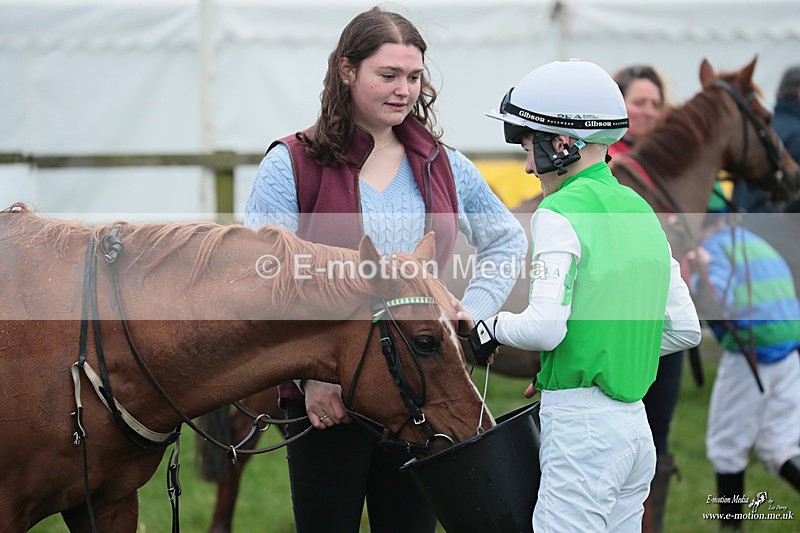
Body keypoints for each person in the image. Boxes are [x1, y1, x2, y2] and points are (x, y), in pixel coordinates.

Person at [244, 7, 526, 533]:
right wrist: (311, 378)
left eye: (414, 77)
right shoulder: (291, 165)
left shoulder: (444, 164)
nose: (404, 90)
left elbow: (507, 241)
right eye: (389, 75)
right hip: (328, 403)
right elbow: (267, 282)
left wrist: (470, 313)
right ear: (347, 71)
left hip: (421, 398)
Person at [467, 59, 702, 531]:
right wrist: (601, 354)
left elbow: (544, 327)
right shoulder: (642, 209)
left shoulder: (556, 211)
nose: (528, 165)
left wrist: (488, 327)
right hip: (636, 431)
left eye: (528, 146)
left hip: (583, 434)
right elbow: (684, 329)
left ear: (562, 143)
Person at [689, 206, 800, 531]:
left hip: (751, 358)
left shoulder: (712, 251)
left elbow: (716, 302)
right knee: (779, 447)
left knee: (726, 447)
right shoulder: (753, 241)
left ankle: (730, 526)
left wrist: (698, 279)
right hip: (790, 355)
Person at [611, 64, 680, 533]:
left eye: (656, 103)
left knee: (659, 433)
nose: (649, 112)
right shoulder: (605, 166)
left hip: (664, 315)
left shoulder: (668, 168)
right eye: (639, 102)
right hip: (620, 320)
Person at [608, 65, 667, 160]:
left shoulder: (665, 154)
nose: (649, 113)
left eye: (655, 105)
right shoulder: (601, 156)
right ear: (618, 105)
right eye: (639, 103)